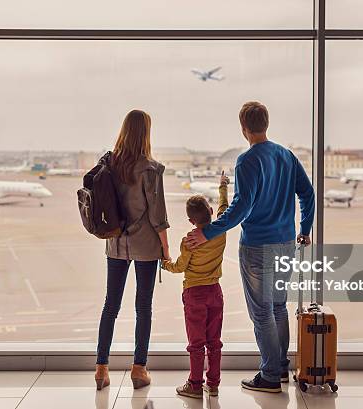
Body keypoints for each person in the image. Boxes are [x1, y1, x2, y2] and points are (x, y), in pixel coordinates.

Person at [186, 101, 315, 393]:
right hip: (285, 243)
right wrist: (304, 229)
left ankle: (269, 376)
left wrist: (209, 232)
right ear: (266, 124)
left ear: (244, 128)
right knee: (278, 306)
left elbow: (241, 208)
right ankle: (280, 367)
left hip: (258, 245)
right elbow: (308, 194)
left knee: (262, 312)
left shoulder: (247, 160)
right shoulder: (286, 156)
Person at [95, 110, 171, 390]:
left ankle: (101, 369)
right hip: (145, 245)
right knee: (143, 307)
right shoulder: (151, 169)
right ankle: (139, 369)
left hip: (115, 242)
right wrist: (165, 249)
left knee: (110, 306)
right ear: (146, 133)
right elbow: (157, 215)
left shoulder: (109, 164)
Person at [161, 171, 230, 399]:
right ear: (210, 212)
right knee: (214, 342)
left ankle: (194, 384)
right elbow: (224, 207)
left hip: (194, 294)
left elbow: (180, 266)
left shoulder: (189, 240)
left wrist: (166, 264)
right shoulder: (220, 231)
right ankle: (214, 383)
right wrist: (222, 186)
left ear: (191, 221)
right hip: (215, 292)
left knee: (196, 343)